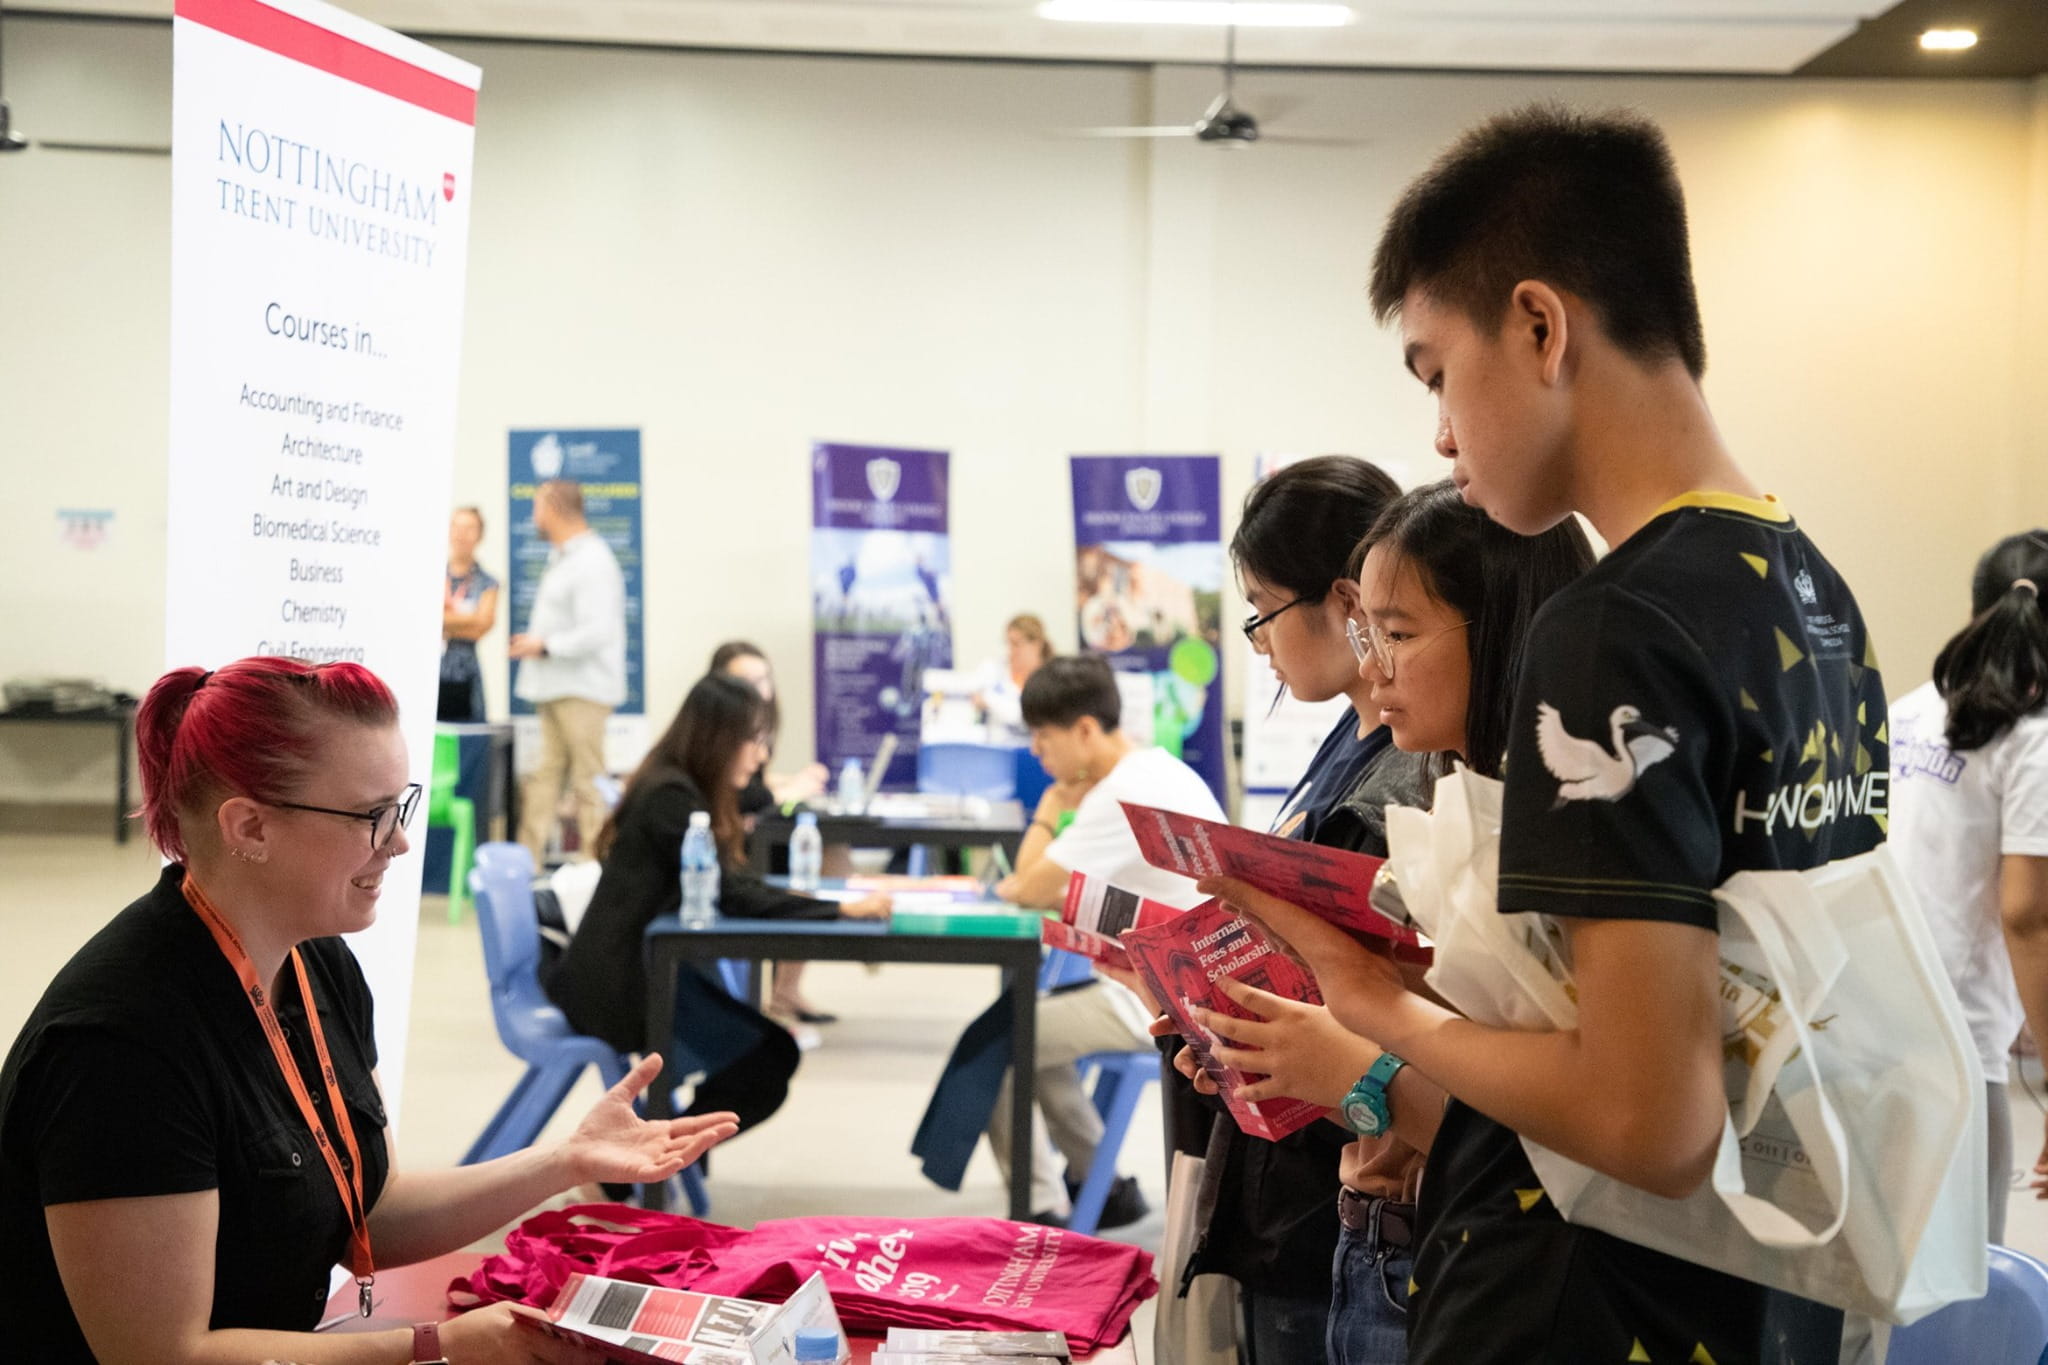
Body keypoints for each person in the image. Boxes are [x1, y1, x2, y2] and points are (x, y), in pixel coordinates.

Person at [1200, 107, 1892, 1364]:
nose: (1440, 435)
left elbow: (1647, 1119)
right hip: (1762, 1293)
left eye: (1434, 374)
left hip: (1577, 1301)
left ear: (1537, 326)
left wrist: (1373, 1010)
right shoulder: (1804, 587)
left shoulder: (1609, 629)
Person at [0, 656, 734, 1365]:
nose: (402, 840)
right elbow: (162, 1353)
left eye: (400, 805)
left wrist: (562, 1160)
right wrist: (435, 1345)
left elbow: (365, 1207)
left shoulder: (316, 962)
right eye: (371, 815)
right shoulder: (122, 1046)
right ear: (249, 827)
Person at [1172, 479, 1593, 1364]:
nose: (1378, 665)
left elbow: (1574, 1142)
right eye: (1374, 634)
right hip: (1380, 1231)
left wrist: (1355, 1066)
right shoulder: (1455, 805)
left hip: (1465, 1257)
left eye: (1396, 634)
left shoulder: (1557, 844)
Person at [546, 674, 889, 1139]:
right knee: (768, 1061)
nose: (761, 755)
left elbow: (732, 884)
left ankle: (647, 1167)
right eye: (754, 741)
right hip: (619, 988)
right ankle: (622, 1177)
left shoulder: (679, 787)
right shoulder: (671, 798)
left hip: (644, 972)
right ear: (719, 738)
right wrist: (840, 910)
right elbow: (733, 893)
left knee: (770, 1057)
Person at [985, 654, 1225, 1225]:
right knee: (1031, 1037)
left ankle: (1039, 1211)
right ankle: (1105, 1187)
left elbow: (1024, 888)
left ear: (1085, 730)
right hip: (1194, 979)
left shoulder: (1121, 792)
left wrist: (1048, 811)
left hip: (1170, 998)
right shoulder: (1158, 769)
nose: (1038, 754)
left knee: (1001, 1046)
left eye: (1043, 740)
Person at [1889, 529, 2048, 1244]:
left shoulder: (1913, 706)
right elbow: (2027, 918)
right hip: (1956, 1045)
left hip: (1867, 1022)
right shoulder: (2034, 735)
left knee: (1880, 1276)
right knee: (1965, 1286)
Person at [709, 640, 833, 1030]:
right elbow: (748, 796)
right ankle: (783, 990)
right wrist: (792, 789)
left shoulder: (757, 726)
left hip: (748, 837)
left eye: (765, 679)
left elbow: (754, 787)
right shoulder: (720, 729)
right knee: (808, 874)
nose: (760, 688)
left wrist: (789, 783)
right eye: (748, 680)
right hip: (733, 850)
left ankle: (786, 988)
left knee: (828, 852)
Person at [512, 479, 626, 865]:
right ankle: (524, 866)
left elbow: (598, 631)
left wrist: (545, 645)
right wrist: (539, 644)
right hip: (556, 687)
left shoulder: (593, 560)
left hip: (584, 690)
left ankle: (594, 868)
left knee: (588, 781)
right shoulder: (562, 557)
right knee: (544, 780)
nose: (534, 517)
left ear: (556, 509)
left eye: (538, 507)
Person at [439, 505, 500, 723]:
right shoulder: (432, 576)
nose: (461, 534)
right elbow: (425, 622)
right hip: (433, 674)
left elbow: (481, 625)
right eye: (456, 527)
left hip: (466, 677)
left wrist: (444, 621)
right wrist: (468, 619)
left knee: (468, 742)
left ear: (480, 536)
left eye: (469, 528)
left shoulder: (487, 582)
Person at [977, 613, 1057, 742]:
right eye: (1008, 643)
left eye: (1016, 644)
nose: (1011, 650)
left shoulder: (1051, 679)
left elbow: (1028, 718)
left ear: (1037, 644)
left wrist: (989, 701)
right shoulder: (997, 671)